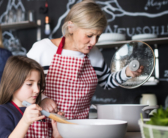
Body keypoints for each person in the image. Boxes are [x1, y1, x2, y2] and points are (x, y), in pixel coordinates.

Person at [27, 0, 143, 135]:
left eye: (98, 36)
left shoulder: (95, 55)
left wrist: (126, 72)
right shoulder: (42, 49)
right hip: (41, 126)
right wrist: (42, 98)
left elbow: (106, 82)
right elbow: (21, 83)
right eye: (89, 35)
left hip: (78, 129)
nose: (93, 42)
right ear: (71, 27)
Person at [0, 56, 62, 138]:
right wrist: (24, 122)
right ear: (12, 85)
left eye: (38, 84)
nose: (37, 90)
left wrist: (56, 135)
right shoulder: (3, 112)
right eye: (29, 84)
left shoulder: (39, 110)